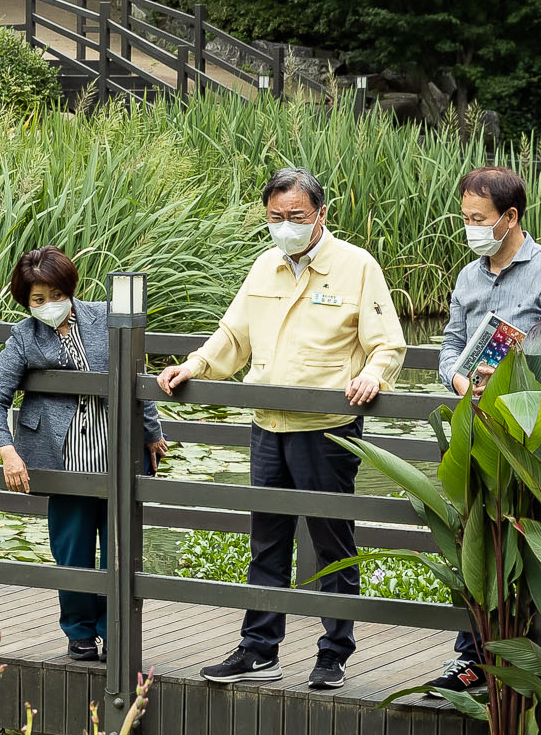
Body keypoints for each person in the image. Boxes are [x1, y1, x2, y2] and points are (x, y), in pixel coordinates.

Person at [160, 168, 407, 690]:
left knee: (332, 543)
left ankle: (334, 652)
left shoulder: (356, 266)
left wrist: (372, 374)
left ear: (321, 213)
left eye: (296, 216)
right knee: (266, 541)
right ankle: (258, 649)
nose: (286, 226)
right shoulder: (265, 265)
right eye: (276, 217)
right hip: (267, 424)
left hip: (326, 428)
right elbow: (234, 333)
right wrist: (195, 367)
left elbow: (388, 342)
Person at [421, 164, 541, 705]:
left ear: (511, 217)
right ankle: (472, 662)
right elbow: (450, 342)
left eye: (480, 219)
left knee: (532, 546)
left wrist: (521, 379)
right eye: (466, 217)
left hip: (533, 435)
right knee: (479, 542)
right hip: (478, 431)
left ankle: (533, 665)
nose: (470, 227)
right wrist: (455, 374)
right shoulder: (468, 276)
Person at [0, 246, 166, 662]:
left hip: (113, 446)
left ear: (70, 288)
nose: (49, 305)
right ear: (25, 301)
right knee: (72, 549)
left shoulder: (106, 317)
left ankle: (112, 629)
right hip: (60, 453)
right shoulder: (25, 336)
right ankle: (79, 632)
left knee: (118, 546)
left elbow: (137, 376)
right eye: (37, 299)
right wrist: (7, 451)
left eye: (55, 294)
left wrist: (152, 434)